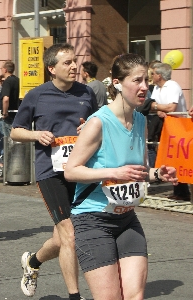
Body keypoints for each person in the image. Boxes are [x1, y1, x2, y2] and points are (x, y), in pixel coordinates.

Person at [64, 53, 178, 300]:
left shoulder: (139, 120)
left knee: (134, 296)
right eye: (137, 81)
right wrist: (113, 173)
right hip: (93, 219)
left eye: (146, 80)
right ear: (117, 82)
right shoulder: (98, 123)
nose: (144, 87)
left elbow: (138, 172)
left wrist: (157, 173)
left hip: (127, 218)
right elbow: (71, 170)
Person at [11, 43, 98, 299]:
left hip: (80, 171)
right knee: (70, 235)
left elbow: (96, 124)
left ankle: (33, 262)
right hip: (51, 172)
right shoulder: (36, 95)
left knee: (62, 241)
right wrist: (37, 134)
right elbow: (16, 131)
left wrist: (89, 129)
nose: (74, 66)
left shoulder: (86, 93)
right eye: (67, 63)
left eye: (75, 61)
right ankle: (74, 296)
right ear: (52, 68)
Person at [151, 62, 190, 201]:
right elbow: (153, 105)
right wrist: (158, 108)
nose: (151, 76)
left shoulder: (172, 86)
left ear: (159, 75)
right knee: (168, 156)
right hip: (165, 124)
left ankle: (183, 191)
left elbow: (171, 107)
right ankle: (178, 190)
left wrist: (157, 106)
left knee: (177, 157)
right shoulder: (156, 88)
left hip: (177, 126)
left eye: (153, 73)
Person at [0, 60, 19, 169]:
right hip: (17, 114)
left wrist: (4, 113)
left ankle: (2, 164)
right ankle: (13, 163)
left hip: (8, 115)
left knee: (4, 139)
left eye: (1, 68)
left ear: (5, 69)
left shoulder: (7, 81)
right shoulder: (18, 80)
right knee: (14, 140)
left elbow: (5, 99)